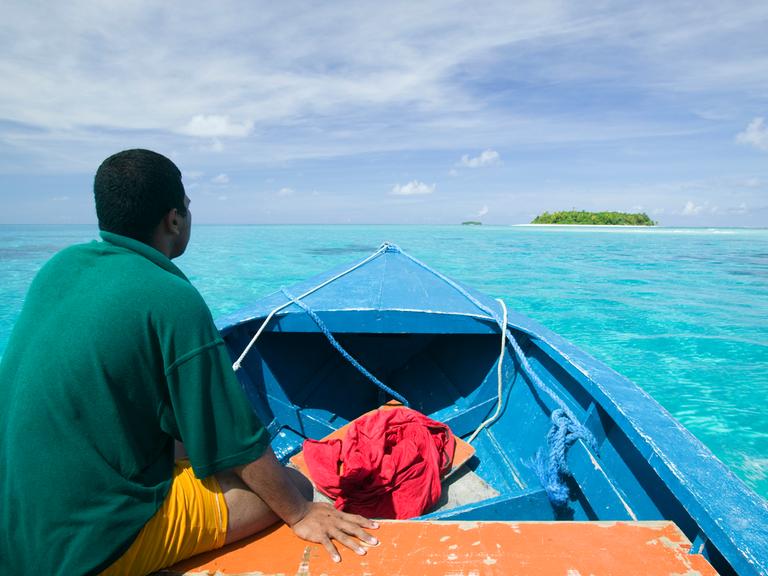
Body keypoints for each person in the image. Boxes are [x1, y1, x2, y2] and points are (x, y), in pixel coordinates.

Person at [0, 149, 378, 575]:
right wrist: (300, 513)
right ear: (174, 220)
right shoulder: (171, 298)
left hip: (13, 522)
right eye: (188, 208)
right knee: (289, 486)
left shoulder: (59, 268)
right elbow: (236, 444)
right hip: (80, 546)